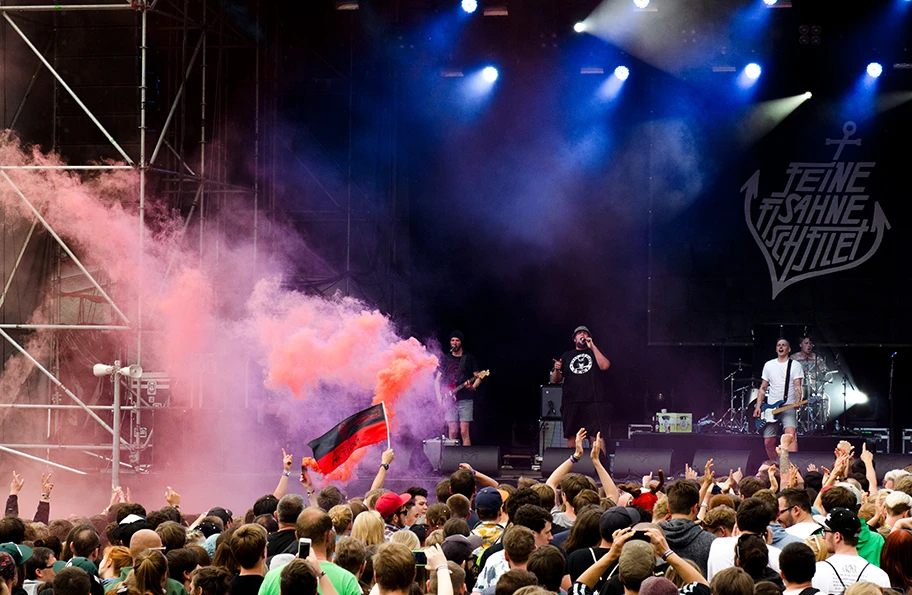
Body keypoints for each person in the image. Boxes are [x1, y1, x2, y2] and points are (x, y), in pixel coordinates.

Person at [550, 326, 611, 448]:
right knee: (572, 437)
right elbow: (556, 380)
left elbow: (605, 366)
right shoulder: (567, 355)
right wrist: (556, 369)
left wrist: (592, 346)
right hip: (571, 402)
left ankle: (600, 466)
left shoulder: (595, 352)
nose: (582, 335)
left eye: (585, 333)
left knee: (596, 436)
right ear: (574, 339)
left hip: (592, 402)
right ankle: (573, 467)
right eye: (579, 333)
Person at [811, 508, 890, 593]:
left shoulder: (817, 571)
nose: (823, 536)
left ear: (837, 536)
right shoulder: (880, 576)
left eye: (825, 531)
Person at [754, 339, 804, 461]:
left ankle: (792, 468)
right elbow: (763, 388)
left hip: (788, 406)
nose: (781, 347)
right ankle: (777, 465)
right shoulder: (769, 365)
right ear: (776, 349)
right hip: (771, 408)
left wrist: (798, 400)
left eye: (784, 345)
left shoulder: (795, 365)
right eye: (779, 345)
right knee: (768, 442)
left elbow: (798, 385)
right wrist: (758, 406)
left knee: (790, 435)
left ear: (789, 349)